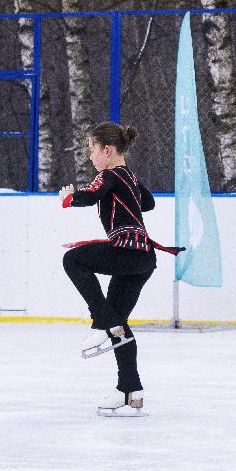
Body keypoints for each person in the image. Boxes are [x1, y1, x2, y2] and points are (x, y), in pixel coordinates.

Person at [60, 122, 181, 416]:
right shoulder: (129, 177)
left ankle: (100, 322)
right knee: (119, 327)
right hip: (143, 259)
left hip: (127, 250)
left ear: (108, 150)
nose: (90, 156)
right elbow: (148, 203)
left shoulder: (110, 175)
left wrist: (69, 197)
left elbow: (89, 195)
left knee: (73, 260)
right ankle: (130, 391)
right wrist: (131, 192)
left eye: (92, 149)